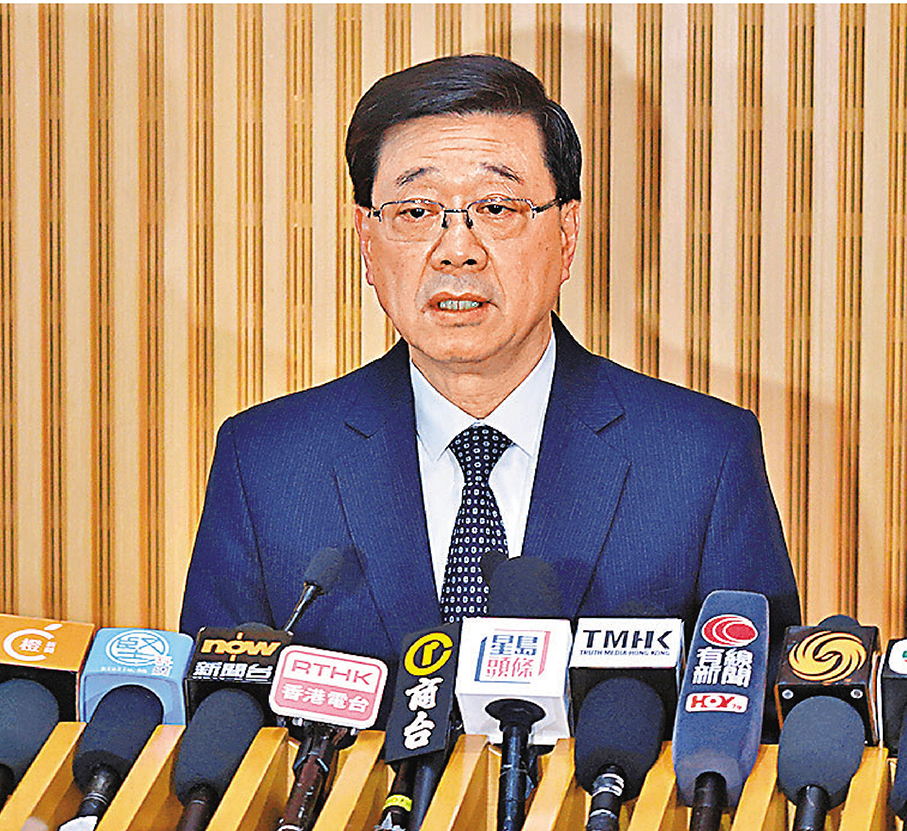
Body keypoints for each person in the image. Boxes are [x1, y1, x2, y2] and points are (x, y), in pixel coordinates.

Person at [180, 55, 799, 697]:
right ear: (367, 239)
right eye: (415, 212)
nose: (457, 250)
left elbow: (759, 720)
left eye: (497, 207)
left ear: (566, 234)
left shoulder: (701, 457)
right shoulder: (267, 462)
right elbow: (215, 721)